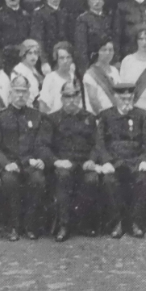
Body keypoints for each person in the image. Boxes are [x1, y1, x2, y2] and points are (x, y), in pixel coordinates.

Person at [0, 74, 52, 241]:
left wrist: (41, 159)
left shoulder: (37, 116)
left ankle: (30, 225)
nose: (21, 95)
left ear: (29, 93)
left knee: (38, 180)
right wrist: (6, 163)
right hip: (9, 164)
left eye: (24, 91)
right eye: (17, 91)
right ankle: (14, 226)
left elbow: (43, 143)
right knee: (10, 182)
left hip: (30, 163)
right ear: (10, 93)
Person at [96, 82, 146, 239]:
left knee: (143, 180)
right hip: (115, 162)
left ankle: (136, 223)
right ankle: (117, 223)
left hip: (135, 161)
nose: (127, 102)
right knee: (109, 181)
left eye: (130, 98)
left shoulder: (141, 115)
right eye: (123, 99)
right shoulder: (106, 116)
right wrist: (106, 161)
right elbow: (99, 143)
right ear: (115, 98)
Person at [49, 81, 101, 242]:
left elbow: (97, 144)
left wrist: (92, 160)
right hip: (63, 163)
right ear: (62, 98)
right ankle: (64, 225)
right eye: (67, 96)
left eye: (75, 96)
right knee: (64, 177)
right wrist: (56, 161)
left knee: (92, 180)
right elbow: (43, 146)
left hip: (84, 162)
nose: (71, 100)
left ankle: (81, 222)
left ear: (79, 97)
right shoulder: (52, 119)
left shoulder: (89, 118)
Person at [30, 0, 68, 72]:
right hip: (47, 58)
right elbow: (38, 39)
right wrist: (44, 61)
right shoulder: (39, 14)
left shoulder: (64, 13)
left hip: (63, 58)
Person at [74, 0, 113, 73]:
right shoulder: (83, 19)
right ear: (88, 1)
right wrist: (85, 70)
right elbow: (81, 48)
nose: (97, 2)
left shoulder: (108, 19)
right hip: (91, 64)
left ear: (103, 1)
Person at [39, 42, 79, 114]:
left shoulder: (74, 77)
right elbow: (43, 104)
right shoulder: (50, 78)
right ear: (57, 59)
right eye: (62, 58)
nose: (65, 61)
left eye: (68, 57)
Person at [83, 39, 121, 115]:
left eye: (110, 50)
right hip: (100, 118)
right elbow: (93, 100)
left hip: (116, 116)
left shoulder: (115, 71)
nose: (108, 53)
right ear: (97, 52)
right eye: (104, 50)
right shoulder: (90, 74)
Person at [11, 39, 44, 107]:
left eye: (36, 53)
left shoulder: (35, 71)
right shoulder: (18, 71)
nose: (33, 56)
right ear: (24, 54)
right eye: (30, 53)